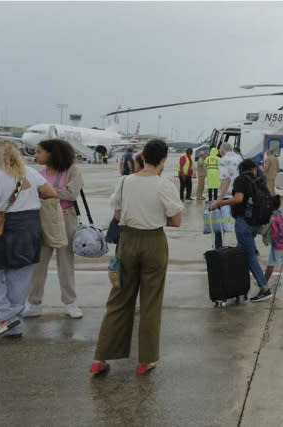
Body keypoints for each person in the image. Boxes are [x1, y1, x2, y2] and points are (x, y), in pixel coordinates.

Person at [91, 139, 183, 376]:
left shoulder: (124, 182)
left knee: (119, 298)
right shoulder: (164, 185)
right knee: (151, 302)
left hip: (127, 241)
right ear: (163, 160)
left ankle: (100, 357)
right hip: (153, 242)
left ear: (142, 157)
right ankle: (145, 360)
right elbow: (175, 220)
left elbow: (118, 212)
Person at [0, 141, 57, 341]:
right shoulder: (30, 172)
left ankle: (6, 317)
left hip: (3, 231)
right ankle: (14, 328)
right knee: (20, 277)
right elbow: (51, 192)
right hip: (30, 230)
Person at [26, 139, 85, 319]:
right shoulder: (39, 173)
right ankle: (34, 303)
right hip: (42, 219)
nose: (36, 155)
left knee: (66, 262)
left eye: (39, 151)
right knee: (39, 263)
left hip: (65, 218)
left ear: (51, 154)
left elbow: (72, 193)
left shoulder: (73, 171)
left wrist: (46, 191)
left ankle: (70, 302)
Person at [210, 159, 272, 302]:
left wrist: (220, 203)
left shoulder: (241, 180)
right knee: (239, 253)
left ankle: (264, 288)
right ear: (254, 169)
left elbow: (238, 199)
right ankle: (236, 286)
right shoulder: (259, 181)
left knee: (249, 256)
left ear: (241, 169)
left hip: (244, 223)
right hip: (257, 223)